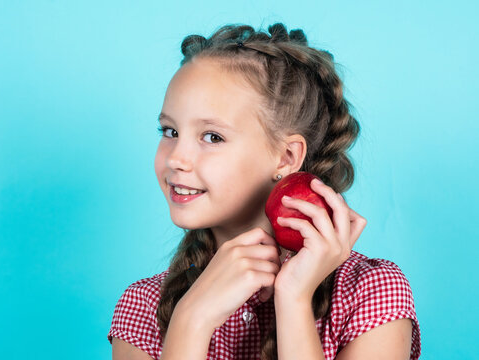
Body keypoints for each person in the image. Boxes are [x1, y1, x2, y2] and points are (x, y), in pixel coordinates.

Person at [108, 23, 421, 359]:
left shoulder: (370, 291)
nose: (176, 159)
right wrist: (190, 321)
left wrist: (295, 300)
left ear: (286, 157)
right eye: (170, 131)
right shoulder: (143, 306)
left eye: (212, 137)